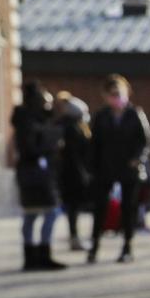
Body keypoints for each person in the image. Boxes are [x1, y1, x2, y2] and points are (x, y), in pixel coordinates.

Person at [87, 74, 150, 263]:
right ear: (105, 96)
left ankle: (127, 246)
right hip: (105, 168)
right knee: (100, 208)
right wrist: (92, 167)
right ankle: (94, 245)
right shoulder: (101, 116)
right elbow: (94, 144)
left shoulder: (135, 114)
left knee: (128, 208)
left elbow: (145, 141)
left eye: (120, 93)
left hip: (128, 168)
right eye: (113, 94)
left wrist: (137, 159)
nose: (117, 98)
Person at [11, 82, 66, 271]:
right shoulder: (28, 121)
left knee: (35, 214)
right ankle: (38, 255)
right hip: (34, 174)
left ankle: (37, 255)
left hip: (38, 173)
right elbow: (31, 148)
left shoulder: (36, 120)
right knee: (44, 212)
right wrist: (51, 142)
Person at [53, 92, 91, 252]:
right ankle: (74, 237)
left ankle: (74, 236)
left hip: (67, 174)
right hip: (73, 174)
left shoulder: (61, 126)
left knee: (71, 208)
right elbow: (78, 154)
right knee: (72, 207)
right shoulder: (73, 129)